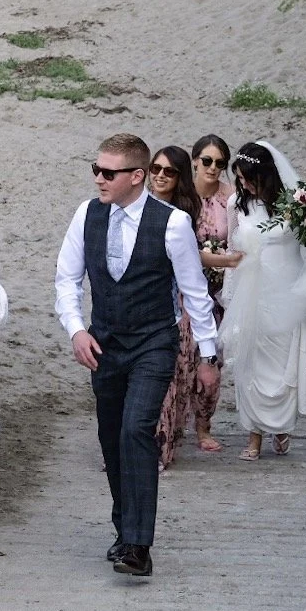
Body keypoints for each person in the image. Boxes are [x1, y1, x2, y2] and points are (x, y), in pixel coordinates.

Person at [55, 132, 219, 577]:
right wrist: (76, 331)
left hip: (153, 342)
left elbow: (194, 292)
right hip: (103, 344)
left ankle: (139, 547)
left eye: (108, 173)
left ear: (136, 176)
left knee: (136, 431)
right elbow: (66, 281)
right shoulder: (86, 215)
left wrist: (208, 357)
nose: (98, 179)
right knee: (111, 438)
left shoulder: (171, 224)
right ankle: (124, 530)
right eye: (95, 169)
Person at [221, 141, 306, 461]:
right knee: (252, 363)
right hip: (253, 293)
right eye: (239, 178)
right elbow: (233, 250)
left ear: (265, 176)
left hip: (288, 292)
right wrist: (230, 295)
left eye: (248, 178)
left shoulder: (295, 207)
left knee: (284, 366)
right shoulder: (236, 205)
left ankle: (282, 426)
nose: (242, 184)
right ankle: (254, 437)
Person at [148, 145, 204, 470]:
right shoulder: (135, 206)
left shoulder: (183, 214)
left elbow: (189, 261)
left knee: (171, 381)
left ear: (179, 176)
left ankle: (160, 448)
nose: (160, 176)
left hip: (178, 304)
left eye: (169, 171)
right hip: (146, 301)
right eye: (156, 168)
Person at [190, 134, 242, 452]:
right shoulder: (181, 195)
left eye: (220, 163)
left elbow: (241, 238)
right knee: (181, 359)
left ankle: (203, 427)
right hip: (183, 288)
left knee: (212, 363)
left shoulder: (232, 198)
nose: (213, 168)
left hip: (218, 291)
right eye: (207, 161)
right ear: (194, 160)